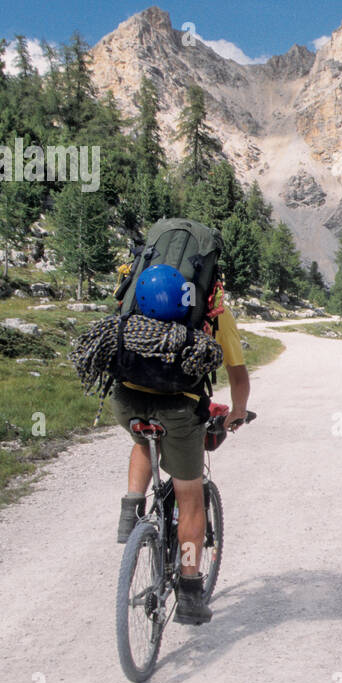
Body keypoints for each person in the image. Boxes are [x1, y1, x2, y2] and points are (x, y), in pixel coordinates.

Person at [108, 265, 250, 626]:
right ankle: (189, 592)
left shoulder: (132, 308)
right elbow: (237, 374)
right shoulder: (215, 315)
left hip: (127, 401)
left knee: (143, 438)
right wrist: (237, 411)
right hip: (178, 409)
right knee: (190, 500)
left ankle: (131, 511)